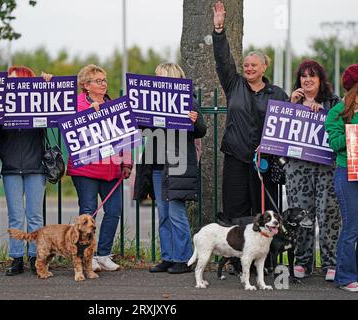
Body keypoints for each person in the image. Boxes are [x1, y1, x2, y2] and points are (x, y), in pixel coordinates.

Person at [212, 1, 288, 221]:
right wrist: (219, 31)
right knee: (235, 209)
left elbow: (286, 124)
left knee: (263, 211)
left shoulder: (277, 94)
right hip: (236, 157)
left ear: (264, 67)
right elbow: (223, 60)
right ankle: (235, 255)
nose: (249, 68)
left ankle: (265, 256)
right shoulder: (234, 84)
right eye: (246, 65)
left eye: (254, 65)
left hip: (264, 161)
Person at [133, 63, 207, 274]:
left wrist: (194, 120)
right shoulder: (151, 101)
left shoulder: (188, 100)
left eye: (159, 75)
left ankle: (183, 258)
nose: (155, 79)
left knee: (176, 213)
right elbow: (143, 128)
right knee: (163, 214)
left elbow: (201, 130)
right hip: (156, 164)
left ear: (170, 77)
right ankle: (168, 257)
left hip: (177, 164)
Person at [67, 64, 132, 271]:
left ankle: (103, 254)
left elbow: (125, 136)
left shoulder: (112, 105)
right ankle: (87, 256)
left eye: (104, 80)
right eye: (98, 80)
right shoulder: (76, 104)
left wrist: (126, 162)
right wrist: (89, 113)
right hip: (85, 168)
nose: (103, 84)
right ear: (85, 85)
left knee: (114, 211)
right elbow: (69, 126)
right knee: (88, 212)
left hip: (111, 168)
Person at [0, 66, 52, 276]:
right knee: (15, 216)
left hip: (36, 166)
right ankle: (17, 258)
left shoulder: (38, 103)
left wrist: (46, 86)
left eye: (15, 79)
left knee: (35, 217)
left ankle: (37, 257)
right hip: (11, 169)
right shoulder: (1, 106)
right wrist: (5, 155)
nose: (11, 83)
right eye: (9, 80)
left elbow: (56, 113)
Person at [285, 60, 341, 281]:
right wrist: (292, 105)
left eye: (312, 75)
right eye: (303, 76)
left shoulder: (333, 102)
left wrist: (323, 113)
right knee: (302, 214)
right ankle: (302, 262)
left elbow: (341, 128)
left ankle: (330, 262)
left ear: (320, 79)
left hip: (326, 167)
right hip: (298, 169)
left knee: (328, 215)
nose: (307, 80)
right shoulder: (290, 102)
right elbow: (277, 133)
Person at [325, 64, 358, 292]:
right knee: (351, 227)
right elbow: (334, 144)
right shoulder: (337, 112)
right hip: (347, 173)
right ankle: (345, 277)